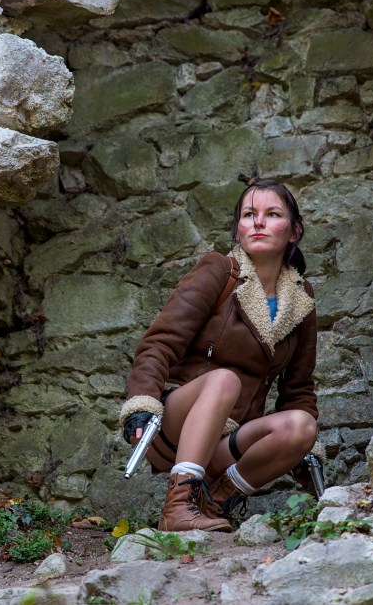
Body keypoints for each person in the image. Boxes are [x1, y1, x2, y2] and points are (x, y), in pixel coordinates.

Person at [119, 179, 319, 532]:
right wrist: (141, 403)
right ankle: (177, 506)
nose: (258, 222)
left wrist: (302, 452)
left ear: (294, 232)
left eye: (273, 214)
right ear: (238, 228)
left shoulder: (301, 299)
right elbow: (160, 343)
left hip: (230, 441)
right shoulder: (218, 271)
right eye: (249, 214)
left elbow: (298, 388)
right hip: (178, 425)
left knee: (303, 426)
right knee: (226, 380)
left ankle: (215, 500)